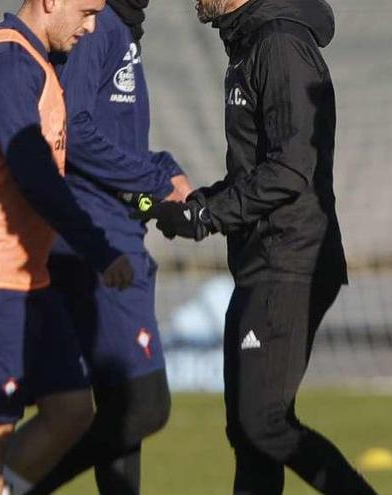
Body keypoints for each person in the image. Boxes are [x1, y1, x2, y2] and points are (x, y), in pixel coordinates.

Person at [134, 0, 377, 493]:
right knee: (249, 433)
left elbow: (290, 168)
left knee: (264, 422)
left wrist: (207, 214)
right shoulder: (250, 44)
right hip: (261, 259)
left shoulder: (280, 43)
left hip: (291, 259)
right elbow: (256, 173)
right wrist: (197, 207)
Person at [0, 0, 136, 493]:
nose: (91, 26)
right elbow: (34, 171)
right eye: (84, 11)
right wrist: (99, 248)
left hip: (23, 274)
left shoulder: (33, 60)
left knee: (70, 409)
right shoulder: (6, 62)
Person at [13, 1, 192, 493]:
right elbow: (75, 131)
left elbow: (109, 135)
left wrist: (160, 167)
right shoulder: (101, 24)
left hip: (108, 230)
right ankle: (10, 482)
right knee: (144, 403)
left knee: (119, 406)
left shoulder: (118, 26)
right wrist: (154, 179)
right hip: (96, 239)